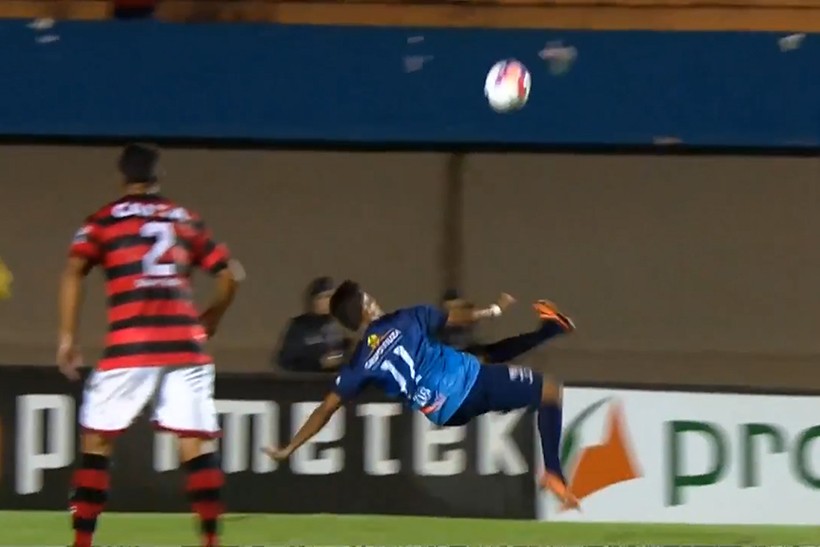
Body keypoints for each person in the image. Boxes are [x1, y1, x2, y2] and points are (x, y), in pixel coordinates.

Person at [57, 143, 242, 547]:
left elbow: (74, 271)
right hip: (185, 345)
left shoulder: (103, 221)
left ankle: (82, 543)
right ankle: (211, 541)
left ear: (121, 176)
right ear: (159, 175)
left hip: (132, 344)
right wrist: (213, 315)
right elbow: (231, 274)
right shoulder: (185, 219)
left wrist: (68, 338)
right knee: (194, 443)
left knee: (97, 441)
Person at [263, 280, 580, 509]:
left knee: (479, 357)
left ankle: (550, 330)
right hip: (468, 385)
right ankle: (553, 472)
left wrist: (290, 447)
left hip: (443, 412)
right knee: (548, 389)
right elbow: (460, 319)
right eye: (368, 297)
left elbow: (325, 409)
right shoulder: (407, 318)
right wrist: (495, 309)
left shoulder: (359, 362)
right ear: (366, 305)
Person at [275, 276, 350, 372]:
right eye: (322, 297)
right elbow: (285, 362)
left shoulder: (338, 326)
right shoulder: (299, 327)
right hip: (309, 379)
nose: (327, 301)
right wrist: (318, 363)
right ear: (313, 301)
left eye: (330, 297)